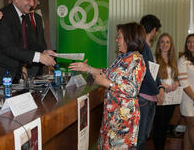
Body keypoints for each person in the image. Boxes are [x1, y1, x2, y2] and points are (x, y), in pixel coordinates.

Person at [69, 22, 146, 149]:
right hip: (112, 114)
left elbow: (132, 90)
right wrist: (88, 68)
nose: (117, 40)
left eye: (119, 36)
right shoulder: (122, 57)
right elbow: (108, 73)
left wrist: (106, 83)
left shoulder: (136, 60)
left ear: (129, 38)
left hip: (123, 119)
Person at [0, 0, 56, 86]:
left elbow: (29, 42)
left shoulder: (25, 17)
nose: (32, 3)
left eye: (33, 0)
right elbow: (8, 47)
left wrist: (43, 51)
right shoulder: (4, 16)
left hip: (11, 73)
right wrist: (38, 57)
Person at [137, 14, 165, 150]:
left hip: (148, 97)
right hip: (144, 98)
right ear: (154, 30)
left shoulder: (146, 47)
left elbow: (154, 73)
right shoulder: (142, 47)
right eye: (157, 31)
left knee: (143, 136)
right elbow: (146, 74)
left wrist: (161, 87)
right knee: (140, 138)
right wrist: (157, 91)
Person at [153, 33, 179, 150]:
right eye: (162, 42)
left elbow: (176, 77)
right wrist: (164, 85)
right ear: (159, 44)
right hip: (160, 96)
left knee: (165, 126)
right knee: (159, 126)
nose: (165, 44)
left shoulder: (173, 60)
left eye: (167, 42)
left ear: (171, 44)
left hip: (172, 98)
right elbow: (153, 78)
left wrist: (176, 83)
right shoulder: (154, 58)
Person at [23, 0, 48, 78]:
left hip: (39, 64)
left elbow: (41, 39)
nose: (34, 1)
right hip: (26, 63)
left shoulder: (38, 17)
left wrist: (46, 54)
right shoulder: (21, 17)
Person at [178, 33, 194, 150]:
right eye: (189, 42)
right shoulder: (183, 60)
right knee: (192, 127)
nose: (191, 44)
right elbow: (184, 83)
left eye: (193, 42)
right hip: (189, 100)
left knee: (189, 129)